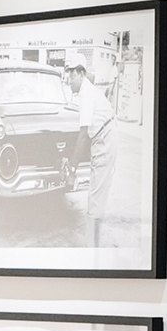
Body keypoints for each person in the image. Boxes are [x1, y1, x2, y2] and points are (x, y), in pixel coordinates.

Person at [63, 55, 117, 222]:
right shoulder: (86, 92)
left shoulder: (86, 95)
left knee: (96, 196)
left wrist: (72, 170)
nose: (69, 81)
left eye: (72, 76)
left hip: (105, 137)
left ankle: (93, 244)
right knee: (96, 190)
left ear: (81, 74)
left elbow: (83, 136)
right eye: (68, 76)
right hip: (102, 136)